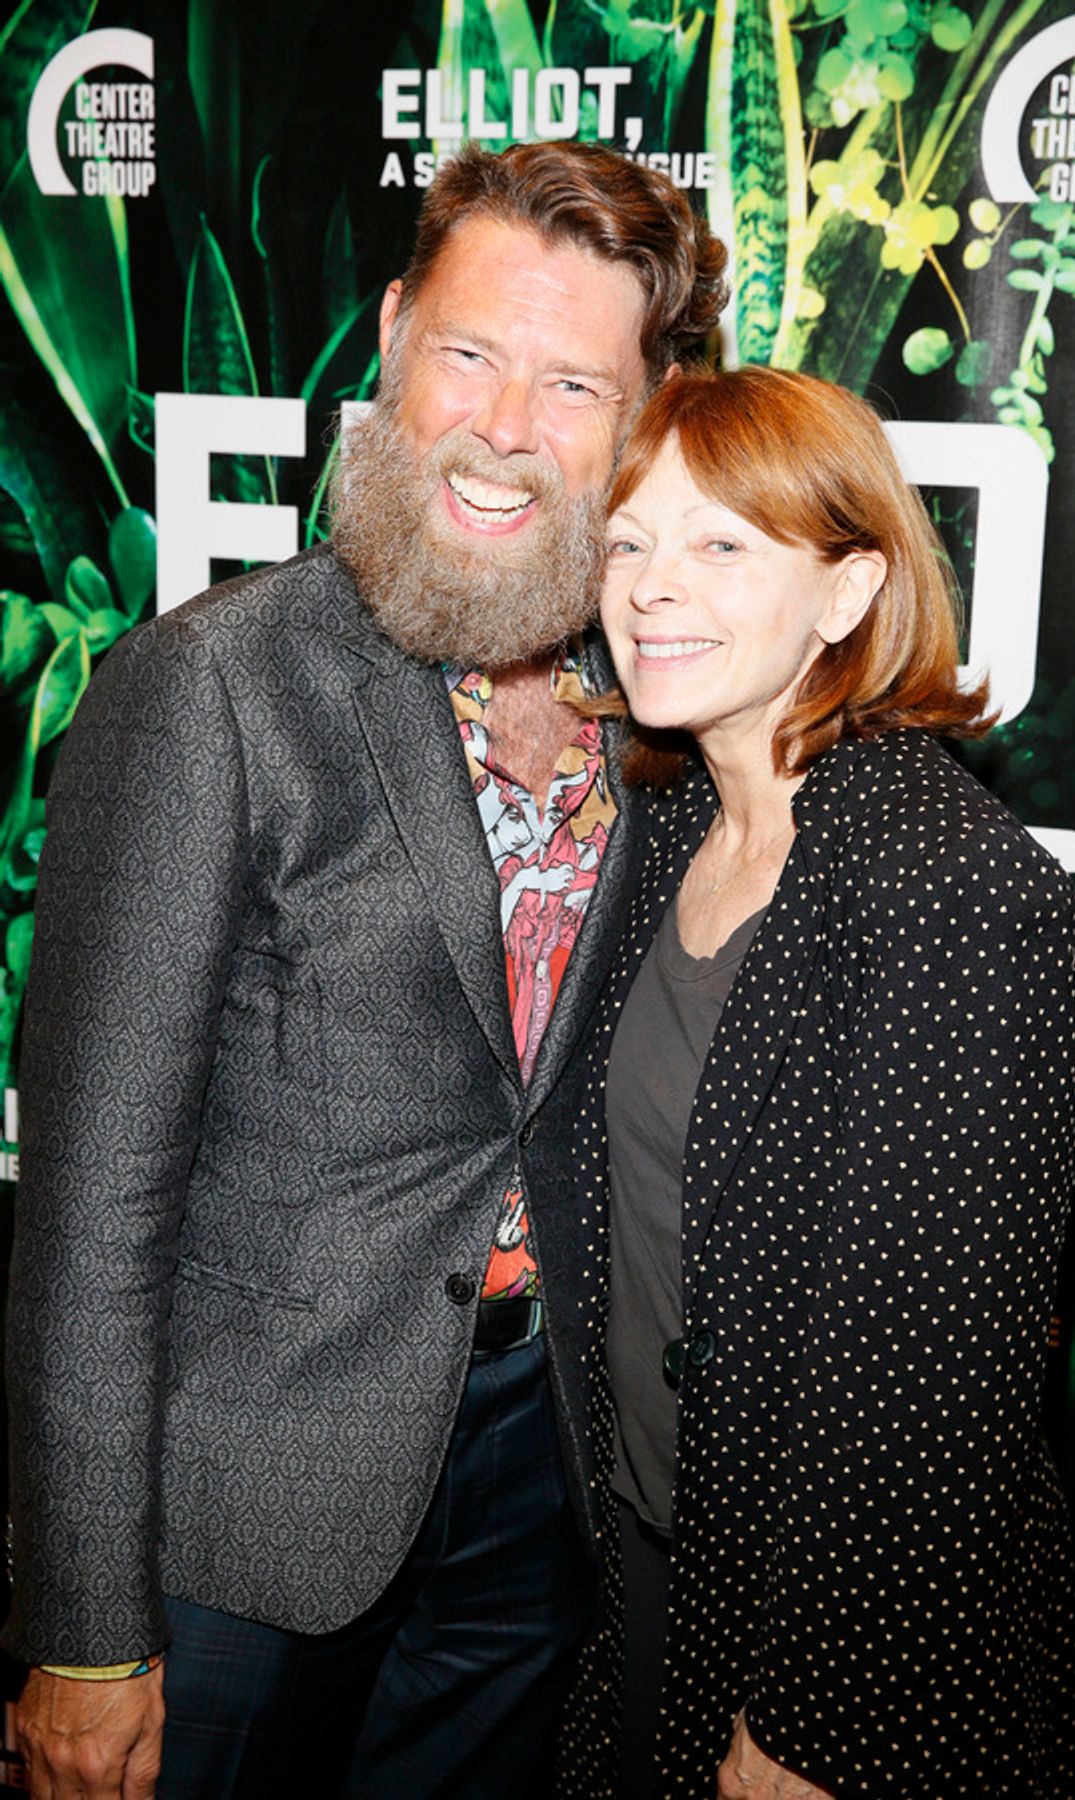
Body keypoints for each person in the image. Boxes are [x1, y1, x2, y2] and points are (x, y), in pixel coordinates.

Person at [3, 142, 726, 1800]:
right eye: (469, 351)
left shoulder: (668, 706)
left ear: (648, 413)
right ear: (395, 335)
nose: (502, 425)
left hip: (540, 1495)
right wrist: (85, 1627)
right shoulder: (211, 689)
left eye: (572, 383)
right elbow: (92, 1205)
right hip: (235, 1529)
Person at [555, 366, 1075, 1798]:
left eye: (723, 545)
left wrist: (815, 1723)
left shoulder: (958, 897)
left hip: (834, 1655)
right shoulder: (669, 839)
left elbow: (937, 1380)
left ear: (850, 591)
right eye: (629, 543)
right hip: (645, 1576)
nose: (653, 590)